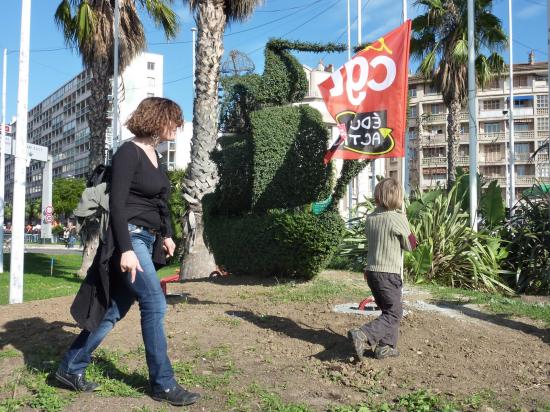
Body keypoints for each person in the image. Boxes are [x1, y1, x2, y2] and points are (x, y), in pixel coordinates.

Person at [55, 97, 200, 407]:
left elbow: (160, 202)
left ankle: (70, 366)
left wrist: (167, 234)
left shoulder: (154, 155)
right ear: (158, 119)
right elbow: (118, 205)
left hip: (147, 238)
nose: (178, 126)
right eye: (174, 120)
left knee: (114, 311)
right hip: (130, 237)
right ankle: (162, 383)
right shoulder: (128, 152)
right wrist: (126, 249)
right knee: (154, 302)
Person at [348, 178, 416, 361]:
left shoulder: (371, 218)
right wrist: (406, 224)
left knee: (388, 310)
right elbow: (411, 245)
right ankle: (363, 334)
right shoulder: (397, 218)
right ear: (397, 198)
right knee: (394, 312)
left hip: (371, 272)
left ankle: (386, 347)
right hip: (389, 274)